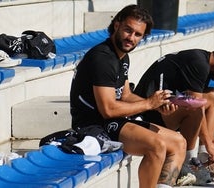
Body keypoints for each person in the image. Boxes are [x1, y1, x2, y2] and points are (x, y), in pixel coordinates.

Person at [70, 4, 186, 188]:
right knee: (156, 146)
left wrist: (158, 104)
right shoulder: (102, 58)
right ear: (117, 25)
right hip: (93, 125)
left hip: (113, 120)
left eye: (137, 34)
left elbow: (125, 95)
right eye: (127, 30)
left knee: (179, 142)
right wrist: (148, 103)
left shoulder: (122, 57)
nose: (131, 38)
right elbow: (108, 109)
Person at [133, 49, 214, 178]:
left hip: (167, 108)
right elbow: (196, 105)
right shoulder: (199, 63)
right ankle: (187, 164)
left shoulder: (203, 60)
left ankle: (204, 157)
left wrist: (212, 142)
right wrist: (209, 143)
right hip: (150, 112)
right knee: (193, 106)